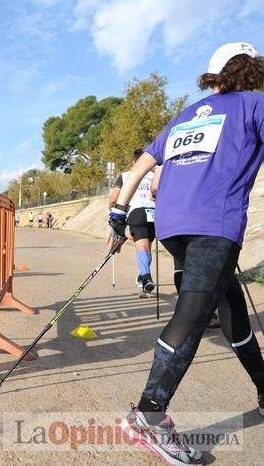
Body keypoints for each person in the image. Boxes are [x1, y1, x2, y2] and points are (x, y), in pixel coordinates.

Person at [109, 42, 264, 464]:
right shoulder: (255, 104)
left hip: (173, 226)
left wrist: (119, 211)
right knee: (194, 314)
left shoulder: (184, 116)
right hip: (214, 225)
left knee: (229, 305)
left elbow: (144, 168)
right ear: (252, 71)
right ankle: (150, 413)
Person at [152, 167, 220, 328]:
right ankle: (206, 313)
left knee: (182, 265)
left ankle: (187, 312)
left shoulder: (168, 158)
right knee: (210, 268)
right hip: (202, 216)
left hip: (172, 219)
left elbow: (154, 189)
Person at [108, 149, 156, 295]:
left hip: (137, 212)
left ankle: (146, 277)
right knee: (147, 248)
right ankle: (143, 277)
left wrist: (113, 214)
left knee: (141, 247)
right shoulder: (154, 175)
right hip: (154, 213)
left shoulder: (125, 176)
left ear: (134, 162)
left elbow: (114, 199)